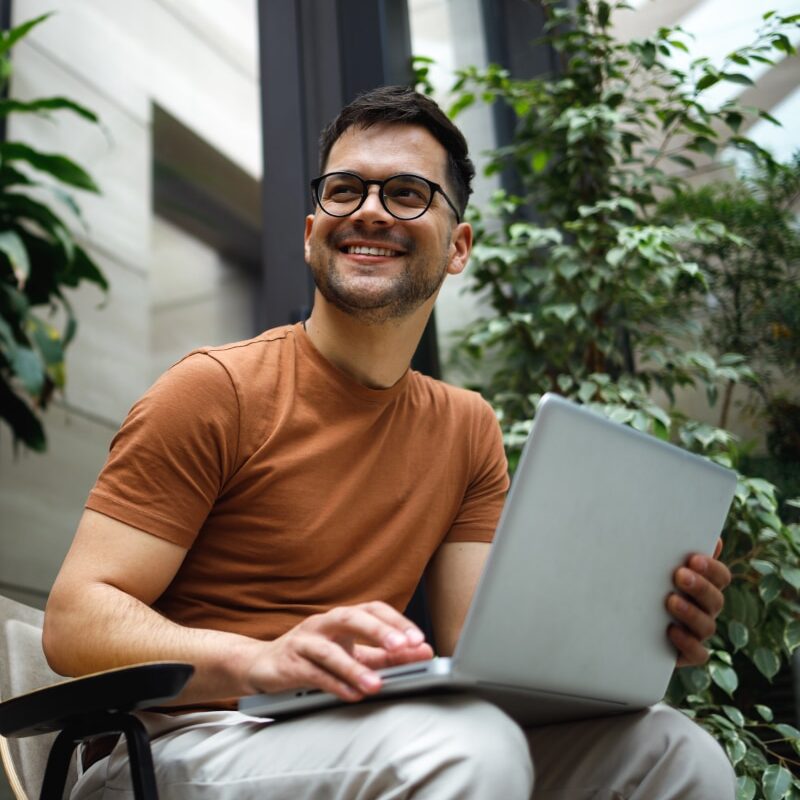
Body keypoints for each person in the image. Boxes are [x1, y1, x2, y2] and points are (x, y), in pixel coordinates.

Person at [44, 86, 736, 799]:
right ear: (312, 230)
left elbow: (482, 657)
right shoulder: (215, 389)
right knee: (466, 749)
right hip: (179, 744)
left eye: (407, 192)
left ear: (459, 246)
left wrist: (638, 635)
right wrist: (261, 659)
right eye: (346, 190)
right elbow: (74, 622)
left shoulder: (467, 427)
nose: (370, 210)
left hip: (364, 730)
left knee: (677, 753)